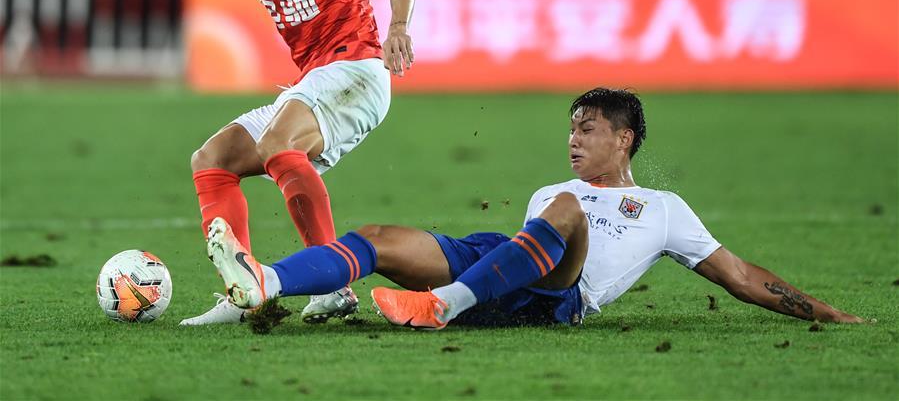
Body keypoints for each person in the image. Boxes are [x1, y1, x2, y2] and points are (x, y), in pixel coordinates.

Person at [83, 0, 417, 325]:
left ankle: (331, 285)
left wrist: (398, 28)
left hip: (358, 68)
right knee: (212, 159)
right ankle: (241, 294)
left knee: (279, 143)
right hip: (314, 82)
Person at [204, 87, 863, 330]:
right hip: (505, 270)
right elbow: (524, 248)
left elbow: (741, 277)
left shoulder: (660, 206)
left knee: (568, 209)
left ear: (624, 138)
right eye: (571, 126)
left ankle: (443, 304)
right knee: (376, 235)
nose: (573, 138)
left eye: (588, 128)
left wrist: (826, 311)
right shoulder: (549, 192)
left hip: (560, 297)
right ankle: (267, 280)